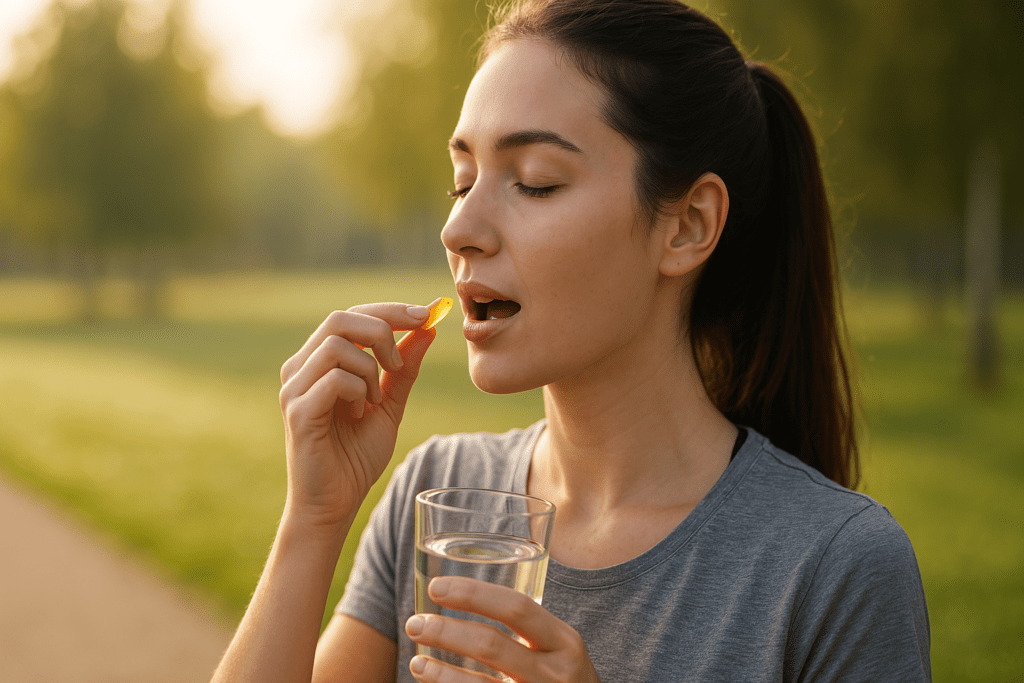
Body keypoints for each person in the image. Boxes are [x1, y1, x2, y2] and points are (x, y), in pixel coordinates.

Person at [211, 1, 931, 681]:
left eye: (534, 182)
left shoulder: (838, 567)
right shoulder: (433, 501)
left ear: (686, 226)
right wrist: (313, 518)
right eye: (463, 181)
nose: (457, 229)